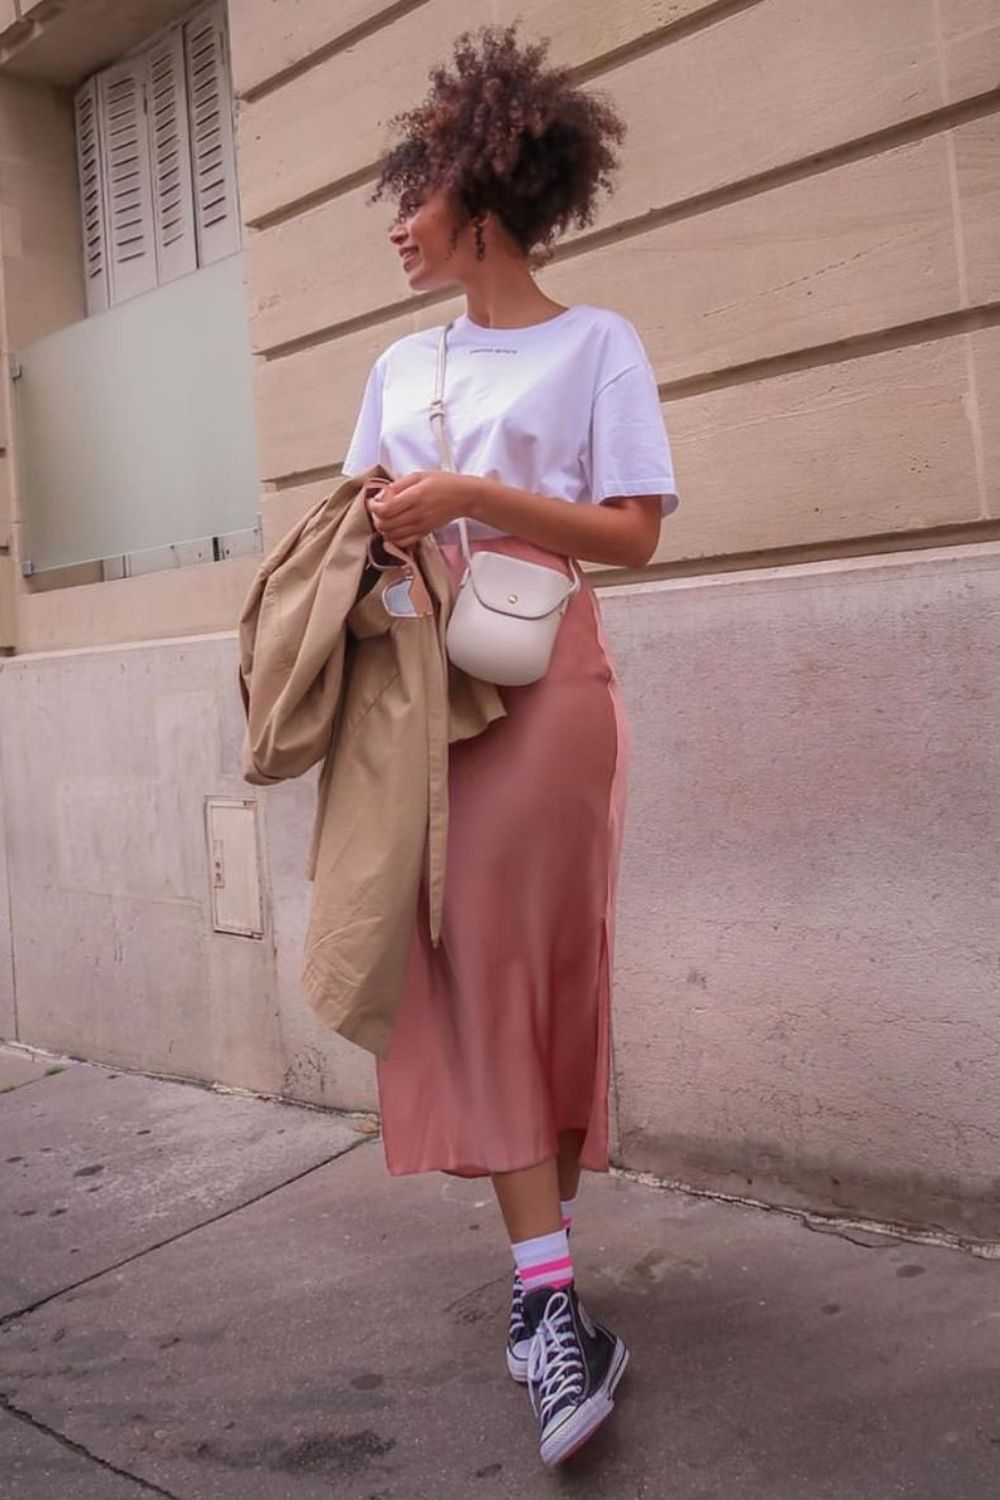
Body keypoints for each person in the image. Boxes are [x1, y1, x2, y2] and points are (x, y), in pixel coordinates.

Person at [341, 22, 680, 1468]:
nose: (398, 231)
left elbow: (636, 534)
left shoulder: (598, 343)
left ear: (479, 198)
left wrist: (478, 490)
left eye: (413, 201)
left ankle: (545, 1282)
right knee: (475, 969)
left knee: (537, 967)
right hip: (434, 698)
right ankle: (552, 1302)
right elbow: (358, 529)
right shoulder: (394, 364)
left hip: (550, 693)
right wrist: (379, 528)